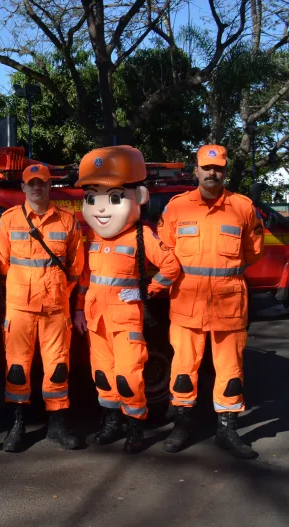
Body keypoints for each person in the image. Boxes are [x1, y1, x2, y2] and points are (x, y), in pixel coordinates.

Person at [158, 144, 264, 459]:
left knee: (230, 369)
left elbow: (254, 252)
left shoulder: (243, 207)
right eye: (206, 167)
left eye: (218, 168)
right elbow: (165, 250)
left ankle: (227, 430)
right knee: (183, 369)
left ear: (225, 171)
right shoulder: (177, 208)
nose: (212, 172)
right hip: (187, 303)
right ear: (197, 170)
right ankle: (182, 425)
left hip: (228, 303)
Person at [73, 146, 181, 453]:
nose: (101, 208)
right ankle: (111, 423)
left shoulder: (142, 235)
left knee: (128, 377)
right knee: (103, 376)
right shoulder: (92, 239)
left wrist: (147, 291)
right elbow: (85, 280)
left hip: (125, 319)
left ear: (139, 198)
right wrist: (80, 309)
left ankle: (136, 427)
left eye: (115, 197)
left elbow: (171, 266)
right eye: (92, 198)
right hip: (97, 321)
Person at [0, 164, 85, 451]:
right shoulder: (9, 221)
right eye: (31, 183)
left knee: (58, 368)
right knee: (17, 369)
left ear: (49, 186)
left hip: (56, 309)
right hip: (20, 309)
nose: (36, 188)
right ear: (22, 187)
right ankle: (17, 426)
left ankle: (57, 425)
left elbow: (75, 268)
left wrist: (57, 292)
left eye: (42, 183)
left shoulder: (68, 221)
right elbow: (1, 266)